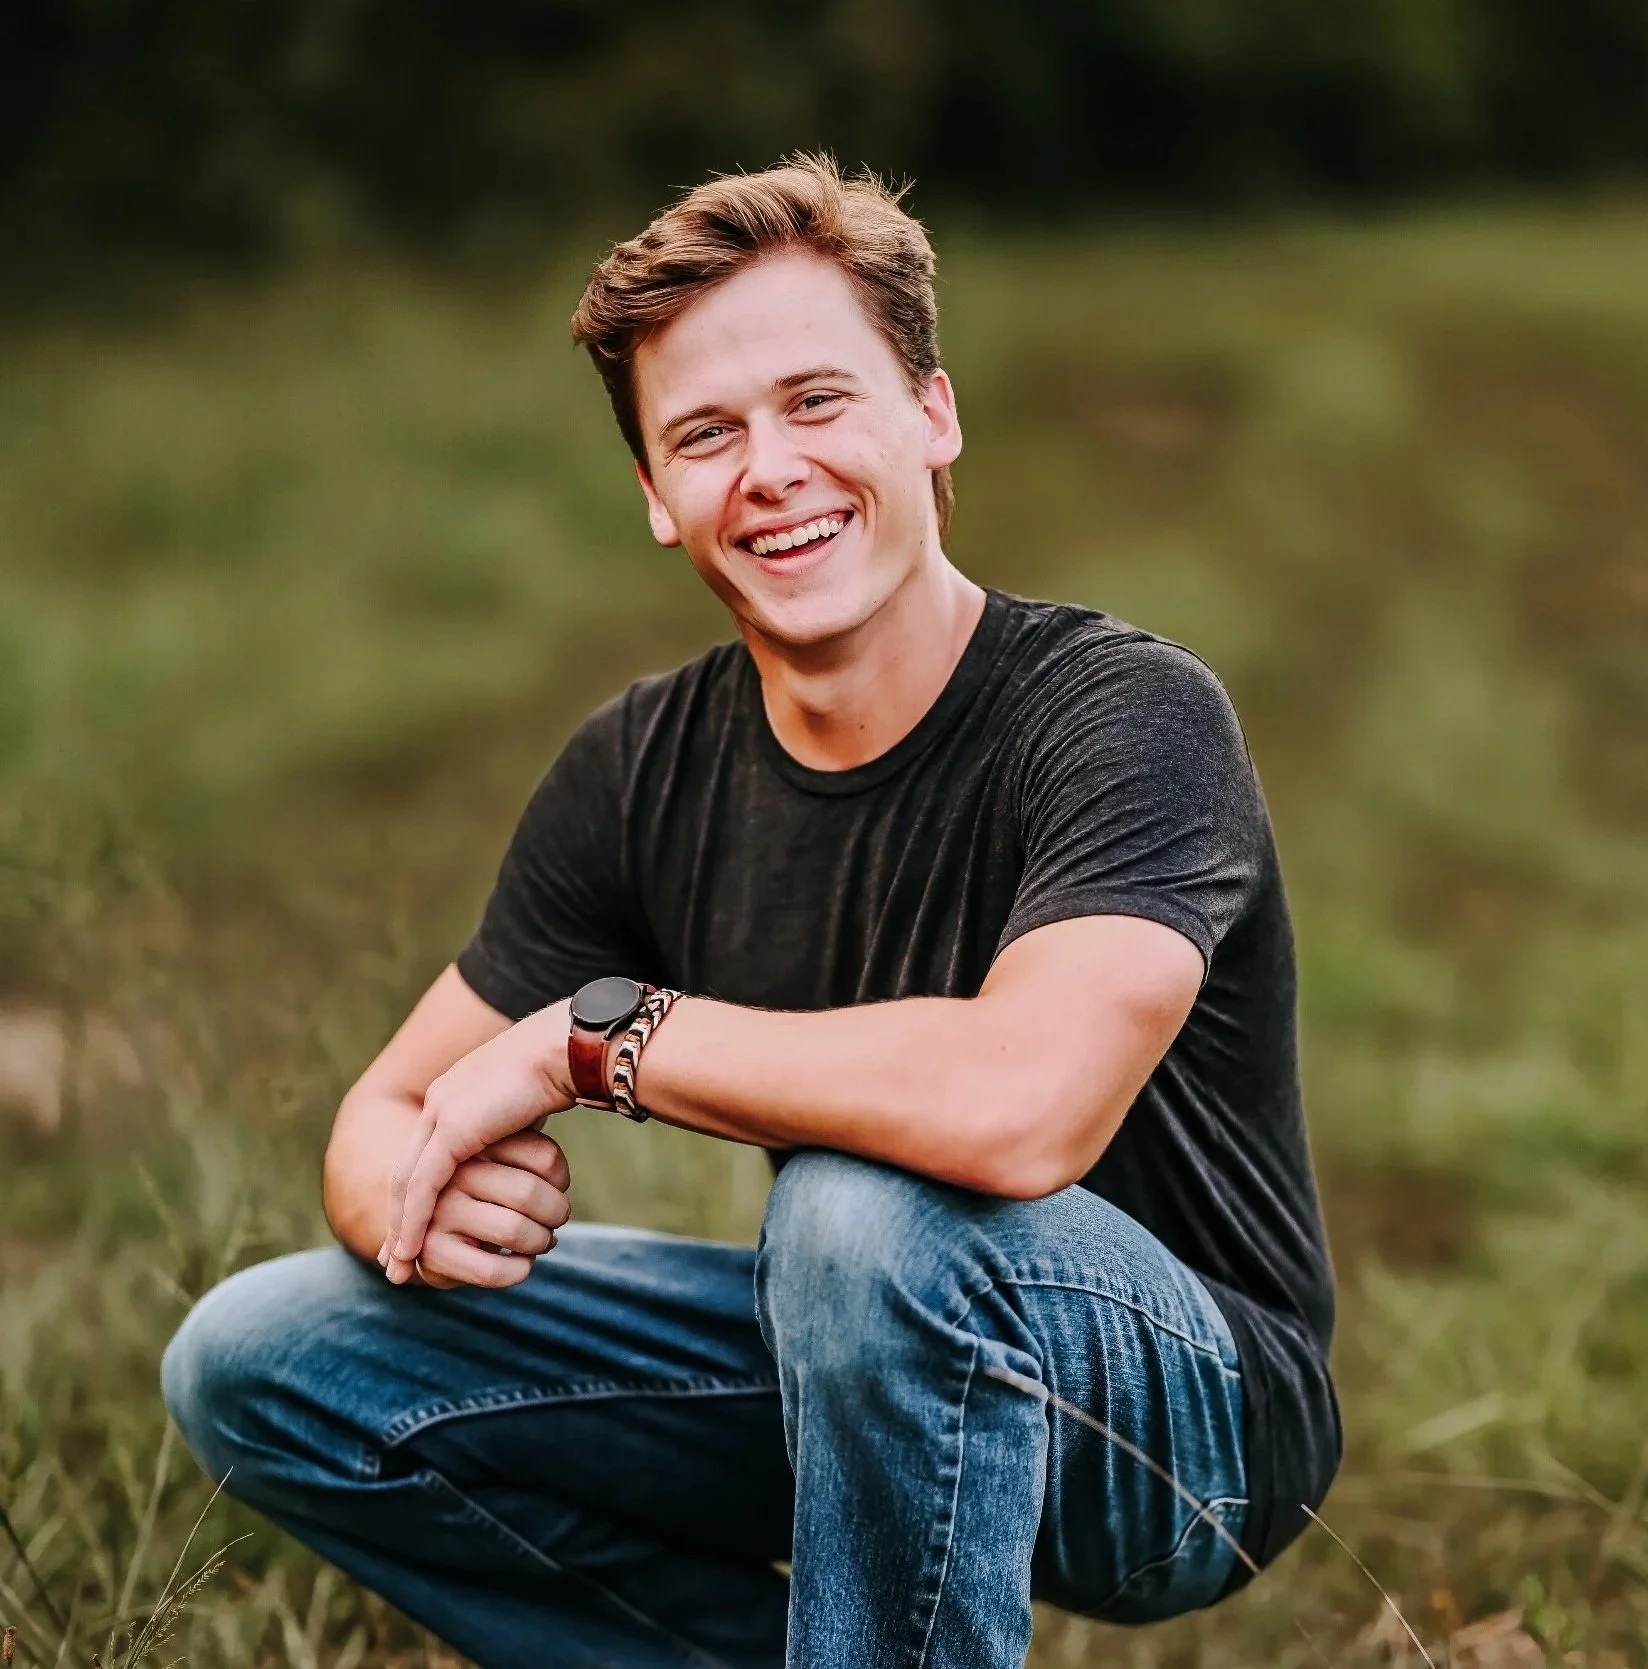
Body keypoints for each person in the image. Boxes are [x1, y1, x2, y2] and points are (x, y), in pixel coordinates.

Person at [162, 153, 1340, 1669]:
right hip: (858, 1336)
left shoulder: (1124, 714)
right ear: (658, 499)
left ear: (933, 413)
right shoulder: (640, 768)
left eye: (817, 401)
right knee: (260, 1360)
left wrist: (605, 1043)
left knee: (861, 1214)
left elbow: (1022, 1109)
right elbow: (382, 1120)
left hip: (1184, 1428)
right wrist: (420, 1188)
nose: (768, 468)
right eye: (706, 435)